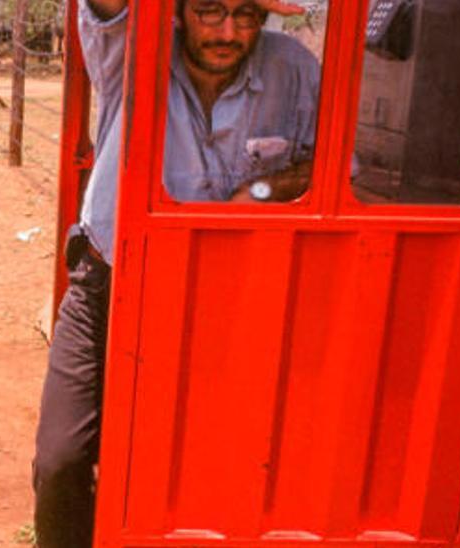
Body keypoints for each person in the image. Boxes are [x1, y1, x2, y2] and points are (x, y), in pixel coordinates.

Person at [31, 0, 318, 546]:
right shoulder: (130, 52)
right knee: (63, 460)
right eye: (211, 11)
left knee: (204, 461)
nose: (229, 32)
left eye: (248, 15)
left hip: (232, 297)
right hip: (111, 285)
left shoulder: (293, 67)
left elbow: (328, 163)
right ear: (179, 12)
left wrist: (259, 192)